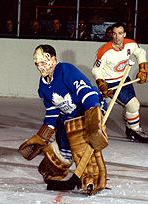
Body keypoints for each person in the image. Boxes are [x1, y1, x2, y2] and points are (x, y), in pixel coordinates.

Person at [18, 44, 109, 195]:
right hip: (68, 117)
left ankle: (91, 179)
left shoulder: (66, 70)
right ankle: (57, 173)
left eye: (43, 62)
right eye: (37, 63)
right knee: (61, 146)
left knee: (79, 140)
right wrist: (43, 134)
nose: (40, 67)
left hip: (89, 109)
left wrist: (93, 114)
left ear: (53, 59)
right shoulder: (43, 85)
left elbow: (86, 92)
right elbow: (53, 111)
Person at [91, 22, 148, 143]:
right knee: (133, 104)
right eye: (114, 33)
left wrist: (143, 66)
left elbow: (140, 52)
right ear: (111, 34)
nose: (117, 36)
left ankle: (130, 129)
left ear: (124, 34)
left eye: (120, 33)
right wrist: (101, 83)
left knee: (131, 106)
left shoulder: (130, 44)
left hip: (124, 79)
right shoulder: (104, 51)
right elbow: (96, 69)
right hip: (111, 83)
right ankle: (135, 130)